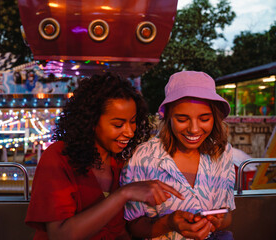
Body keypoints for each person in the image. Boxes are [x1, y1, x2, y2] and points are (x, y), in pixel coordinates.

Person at [25, 73, 184, 240]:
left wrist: (171, 222)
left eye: (133, 121)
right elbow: (60, 235)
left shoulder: (123, 160)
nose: (130, 132)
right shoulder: (58, 157)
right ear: (91, 121)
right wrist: (124, 194)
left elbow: (125, 230)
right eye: (118, 124)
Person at [120, 71, 235, 240]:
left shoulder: (222, 152)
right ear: (168, 117)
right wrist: (168, 223)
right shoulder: (143, 156)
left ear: (215, 117)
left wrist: (217, 220)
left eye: (204, 119)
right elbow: (133, 226)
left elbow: (227, 216)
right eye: (182, 119)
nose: (194, 129)